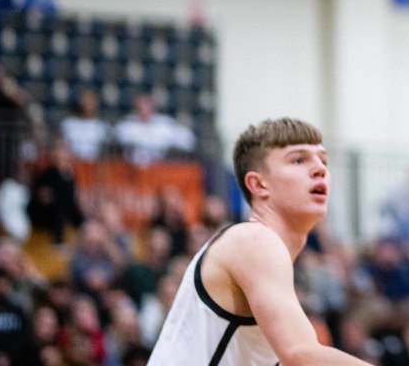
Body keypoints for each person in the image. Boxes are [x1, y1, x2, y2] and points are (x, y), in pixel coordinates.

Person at [147, 117, 373, 365]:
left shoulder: (264, 257)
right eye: (299, 159)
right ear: (258, 184)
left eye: (323, 160)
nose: (320, 169)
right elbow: (301, 354)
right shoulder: (253, 240)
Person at [113, 94, 195, 166]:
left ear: (153, 108)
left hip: (159, 168)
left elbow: (187, 139)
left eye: (147, 107)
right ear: (135, 109)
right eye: (140, 108)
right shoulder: (127, 126)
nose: (144, 111)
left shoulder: (164, 124)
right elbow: (116, 140)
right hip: (132, 169)